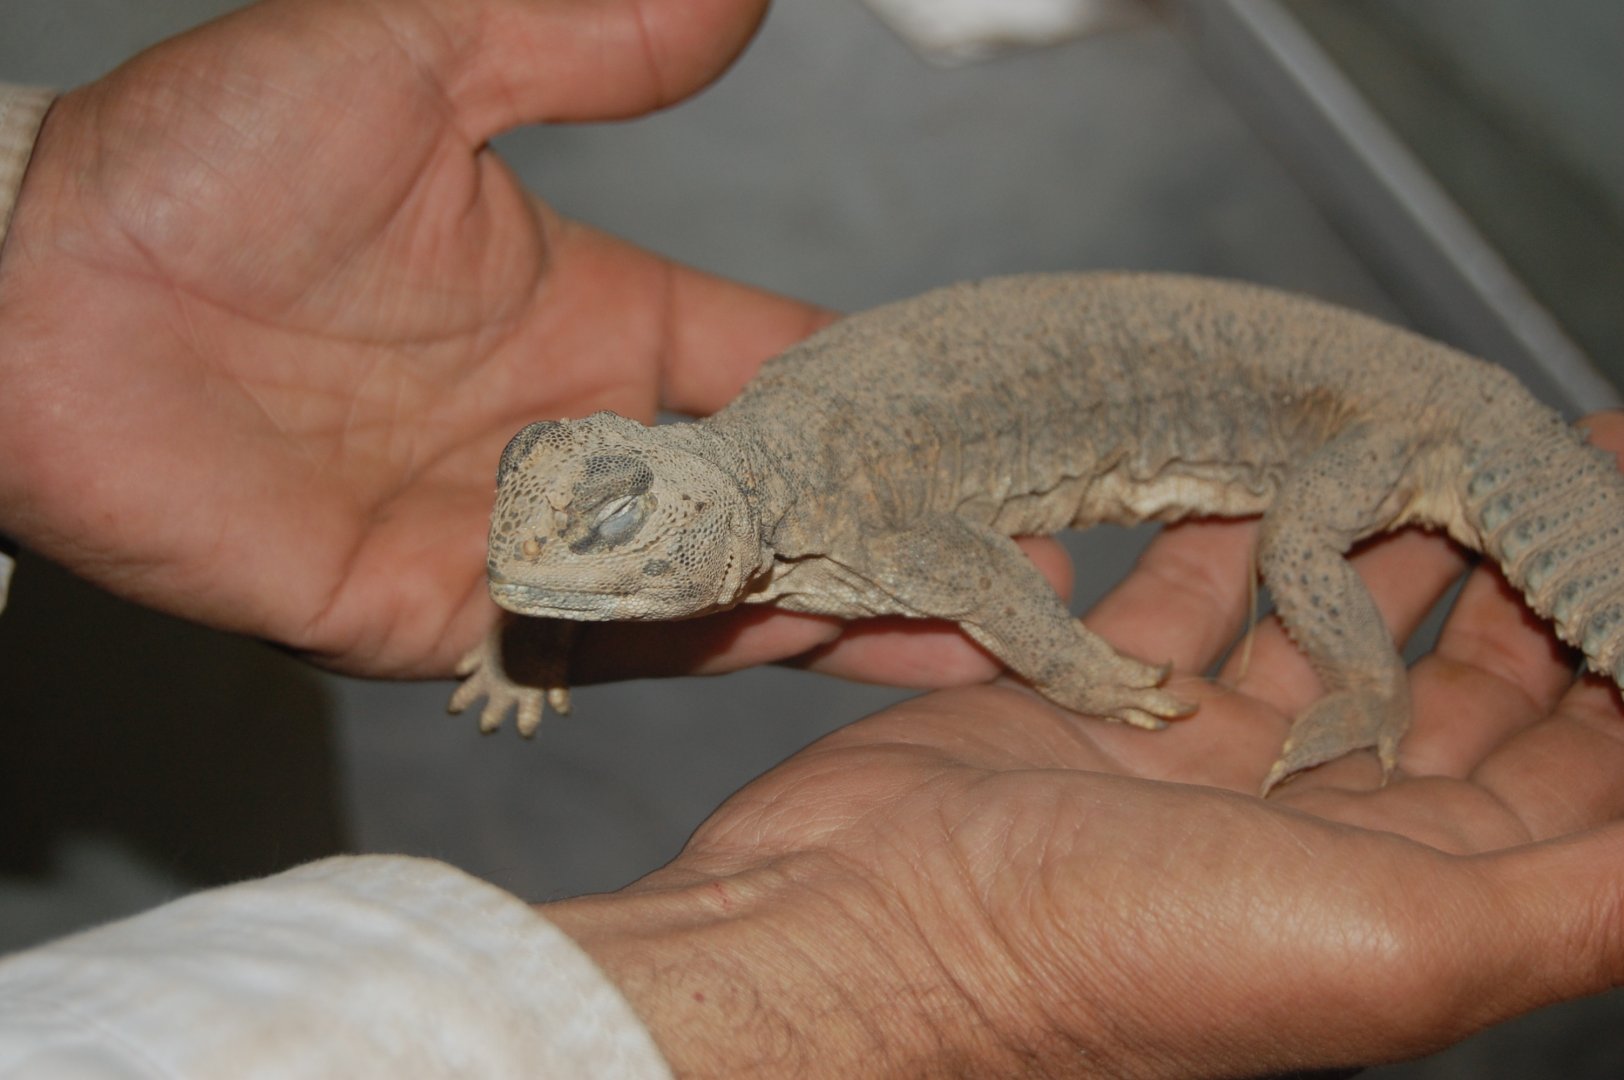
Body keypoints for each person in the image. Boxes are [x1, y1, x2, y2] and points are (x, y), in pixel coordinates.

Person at [2, 0, 1621, 1075]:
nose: (549, 568)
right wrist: (526, 630)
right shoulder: (735, 499)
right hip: (1365, 400)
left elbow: (996, 582)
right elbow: (570, 550)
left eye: (611, 555)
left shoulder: (847, 521)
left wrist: (1088, 673)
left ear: (708, 523)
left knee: (1302, 561)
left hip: (1392, 423)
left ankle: (1374, 697)